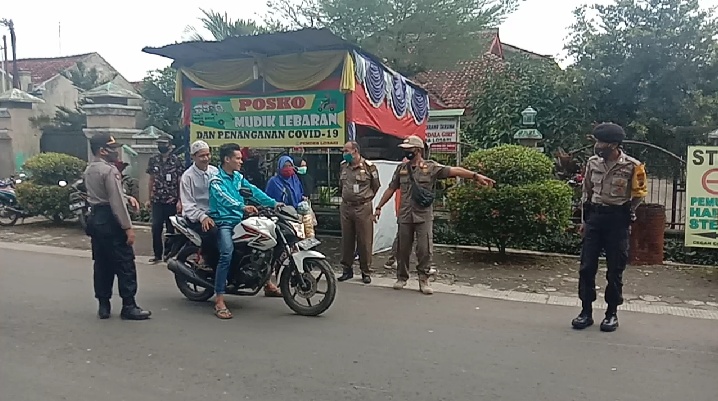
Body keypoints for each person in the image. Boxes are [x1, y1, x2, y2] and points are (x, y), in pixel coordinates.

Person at [374, 135, 494, 295]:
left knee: (424, 249)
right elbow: (391, 188)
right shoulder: (401, 169)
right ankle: (402, 277)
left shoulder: (431, 167)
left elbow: (453, 170)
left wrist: (475, 176)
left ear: (417, 150)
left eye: (408, 150)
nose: (405, 152)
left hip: (423, 215)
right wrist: (379, 206)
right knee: (402, 249)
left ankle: (424, 279)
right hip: (405, 215)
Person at [572, 123, 647, 332]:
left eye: (601, 142)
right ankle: (585, 311)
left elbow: (639, 194)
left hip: (617, 221)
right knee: (587, 268)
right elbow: (586, 192)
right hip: (595, 218)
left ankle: (611, 313)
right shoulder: (592, 163)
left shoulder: (632, 166)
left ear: (613, 144)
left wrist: (629, 211)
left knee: (615, 269)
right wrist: (584, 221)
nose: (597, 146)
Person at [209, 143, 282, 319]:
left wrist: (274, 203)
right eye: (238, 158)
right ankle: (219, 299)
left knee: (267, 242)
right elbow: (224, 198)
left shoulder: (238, 177)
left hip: (241, 219)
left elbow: (254, 191)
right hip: (225, 222)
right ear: (227, 159)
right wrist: (242, 207)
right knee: (226, 252)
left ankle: (266, 283)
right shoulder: (216, 180)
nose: (241, 161)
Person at [84, 133, 151, 320]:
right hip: (112, 220)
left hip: (96, 219)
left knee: (102, 264)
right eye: (112, 148)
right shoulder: (109, 170)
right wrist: (128, 227)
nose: (116, 152)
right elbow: (115, 202)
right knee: (125, 264)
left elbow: (107, 195)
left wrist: (128, 197)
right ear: (102, 151)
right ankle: (129, 305)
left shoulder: (89, 169)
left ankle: (103, 305)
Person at [338, 141, 381, 284]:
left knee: (364, 240)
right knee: (347, 239)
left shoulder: (369, 167)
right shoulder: (344, 166)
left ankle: (365, 271)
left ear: (355, 151)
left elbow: (376, 186)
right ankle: (347, 269)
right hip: (346, 207)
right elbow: (341, 185)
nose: (344, 153)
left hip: (363, 207)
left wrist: (366, 199)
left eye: (346, 150)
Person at [179, 140, 220, 268]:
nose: (206, 158)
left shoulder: (215, 172)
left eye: (208, 155)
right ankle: (208, 262)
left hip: (216, 213)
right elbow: (188, 205)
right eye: (202, 156)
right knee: (213, 232)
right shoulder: (187, 177)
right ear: (193, 157)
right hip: (196, 216)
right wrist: (203, 217)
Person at [145, 136, 184, 263]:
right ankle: (157, 255)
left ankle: (168, 254)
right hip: (157, 199)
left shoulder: (176, 161)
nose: (161, 146)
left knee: (171, 228)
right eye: (159, 143)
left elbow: (180, 181)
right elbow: (151, 179)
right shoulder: (153, 160)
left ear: (170, 145)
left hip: (171, 199)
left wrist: (180, 200)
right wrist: (149, 198)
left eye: (164, 143)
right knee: (156, 227)